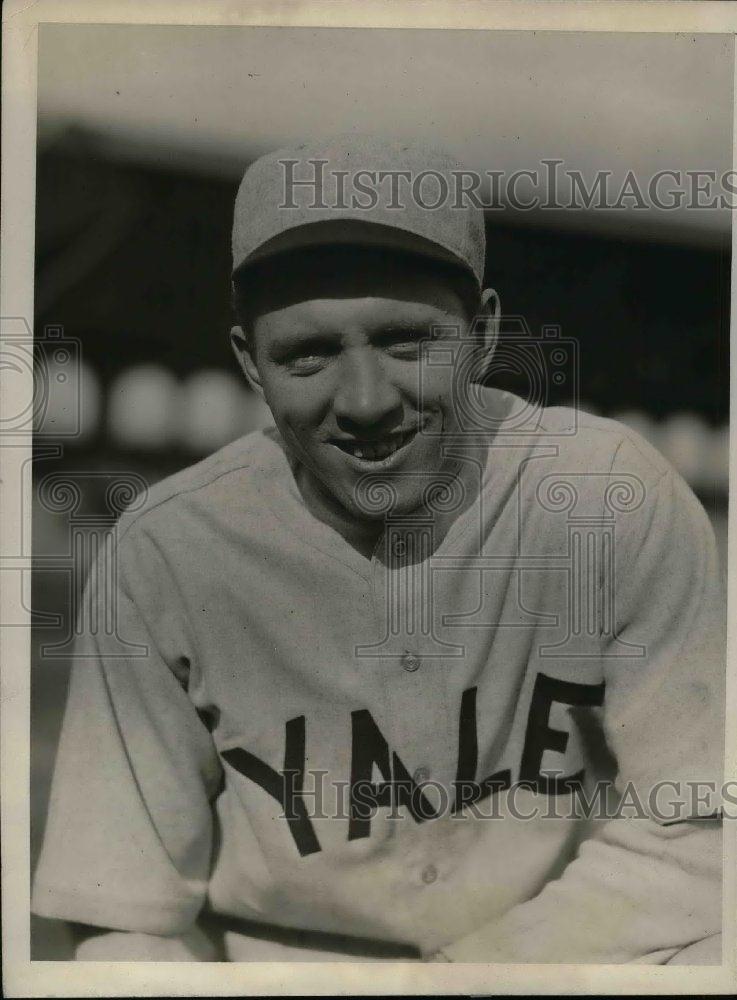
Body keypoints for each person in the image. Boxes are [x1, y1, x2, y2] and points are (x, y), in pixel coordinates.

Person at [32, 136, 725, 963]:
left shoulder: (607, 497)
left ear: (483, 331)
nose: (364, 402)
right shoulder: (168, 549)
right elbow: (123, 910)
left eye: (407, 342)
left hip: (560, 954)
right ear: (249, 362)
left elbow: (697, 833)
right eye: (308, 354)